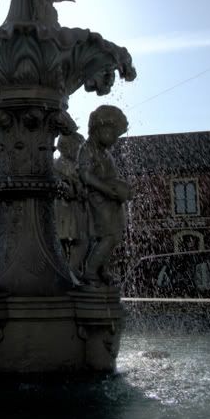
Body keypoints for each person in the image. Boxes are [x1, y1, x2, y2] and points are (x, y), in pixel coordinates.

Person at [79, 105, 132, 287]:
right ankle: (91, 271)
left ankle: (103, 270)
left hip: (111, 200)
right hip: (98, 199)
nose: (115, 139)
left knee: (114, 236)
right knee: (108, 236)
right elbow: (85, 175)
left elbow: (111, 176)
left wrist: (121, 188)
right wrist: (107, 189)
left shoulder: (105, 153)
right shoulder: (87, 149)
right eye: (113, 133)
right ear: (99, 128)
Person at [54, 132, 88, 277]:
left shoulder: (60, 164)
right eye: (79, 147)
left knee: (67, 242)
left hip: (65, 210)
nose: (80, 151)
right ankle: (71, 270)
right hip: (68, 209)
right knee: (81, 240)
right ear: (67, 147)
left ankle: (67, 271)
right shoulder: (65, 165)